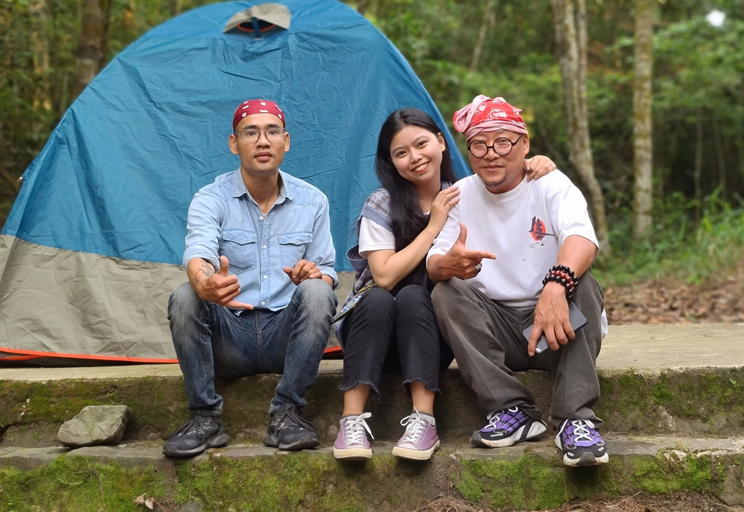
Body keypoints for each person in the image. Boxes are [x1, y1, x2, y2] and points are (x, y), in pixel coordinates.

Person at [333, 107, 555, 461]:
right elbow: (385, 275)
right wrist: (434, 225)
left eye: (421, 144)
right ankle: (351, 422)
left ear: (441, 142)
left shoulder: (468, 195)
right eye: (400, 153)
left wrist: (538, 164)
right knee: (380, 297)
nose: (414, 158)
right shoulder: (382, 202)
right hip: (374, 336)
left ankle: (424, 421)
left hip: (434, 336)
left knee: (416, 297)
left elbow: (512, 187)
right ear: (390, 162)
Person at [427, 95, 609, 467]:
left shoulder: (550, 183)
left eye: (503, 142)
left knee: (583, 279)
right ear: (469, 151)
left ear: (524, 145)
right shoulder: (461, 195)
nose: (491, 153)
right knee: (445, 291)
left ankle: (575, 419)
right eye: (479, 144)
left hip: (559, 331)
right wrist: (448, 264)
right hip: (501, 332)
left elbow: (583, 239)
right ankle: (513, 411)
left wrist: (556, 285)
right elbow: (433, 264)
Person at [163, 99, 338, 458]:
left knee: (319, 292)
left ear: (286, 141)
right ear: (233, 143)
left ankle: (287, 413)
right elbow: (198, 251)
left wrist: (315, 274)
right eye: (251, 132)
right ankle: (204, 417)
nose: (262, 141)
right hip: (231, 338)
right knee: (185, 295)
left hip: (286, 339)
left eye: (272, 132)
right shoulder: (211, 198)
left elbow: (329, 271)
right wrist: (204, 281)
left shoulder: (313, 201)